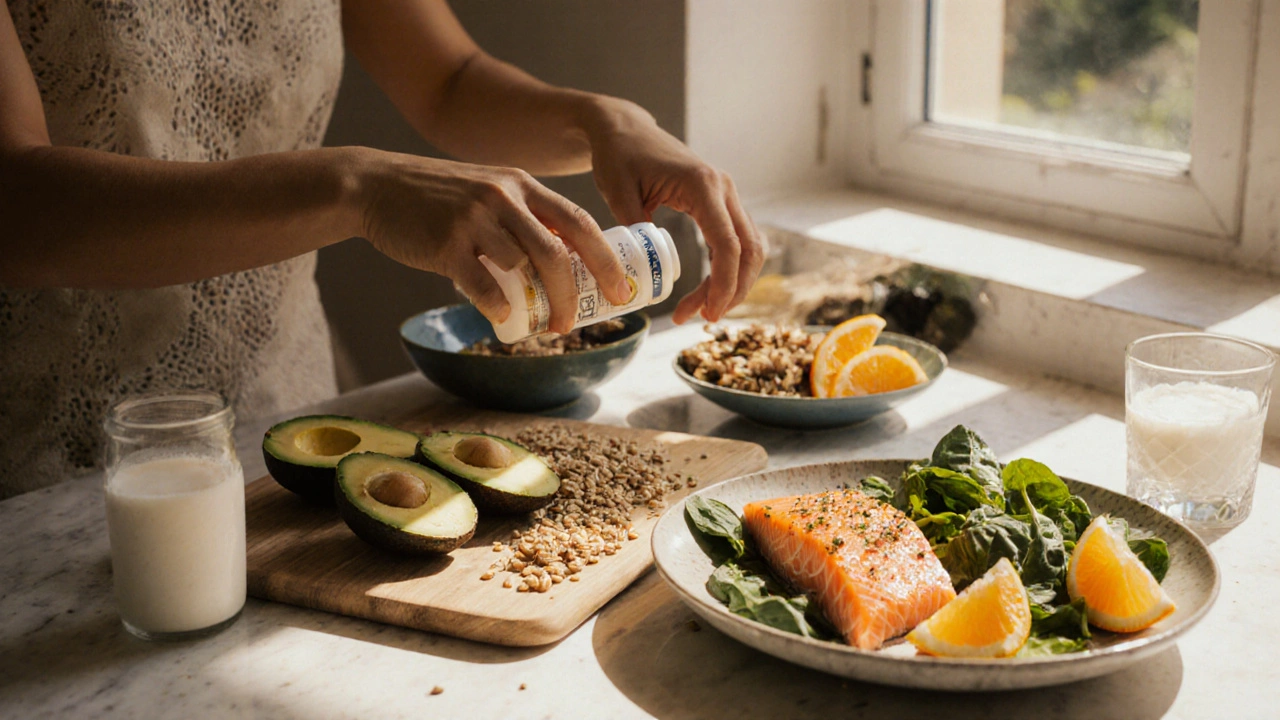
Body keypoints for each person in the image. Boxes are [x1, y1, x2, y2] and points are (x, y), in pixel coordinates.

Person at [0, 0, 763, 497]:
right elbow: (16, 203)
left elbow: (448, 81)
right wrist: (356, 186)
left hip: (288, 416)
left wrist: (604, 120)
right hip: (55, 461)